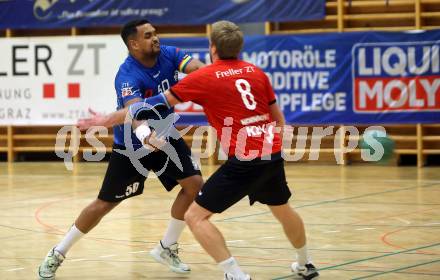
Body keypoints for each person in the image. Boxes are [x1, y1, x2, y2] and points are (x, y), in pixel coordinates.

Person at [77, 20, 319, 280]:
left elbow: (144, 108)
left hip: (244, 162)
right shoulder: (256, 72)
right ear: (239, 47)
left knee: (195, 217)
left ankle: (235, 274)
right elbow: (279, 119)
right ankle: (305, 263)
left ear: (212, 48)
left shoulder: (205, 78)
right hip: (271, 155)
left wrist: (106, 120)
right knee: (283, 209)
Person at [38, 19, 205, 280]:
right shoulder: (127, 75)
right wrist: (144, 134)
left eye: (155, 33)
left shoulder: (170, 54)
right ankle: (58, 252)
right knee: (104, 205)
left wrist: (210, 74)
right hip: (132, 146)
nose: (155, 38)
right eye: (148, 36)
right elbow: (135, 111)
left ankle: (166, 247)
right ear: (134, 44)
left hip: (165, 135)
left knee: (194, 184)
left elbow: (197, 69)